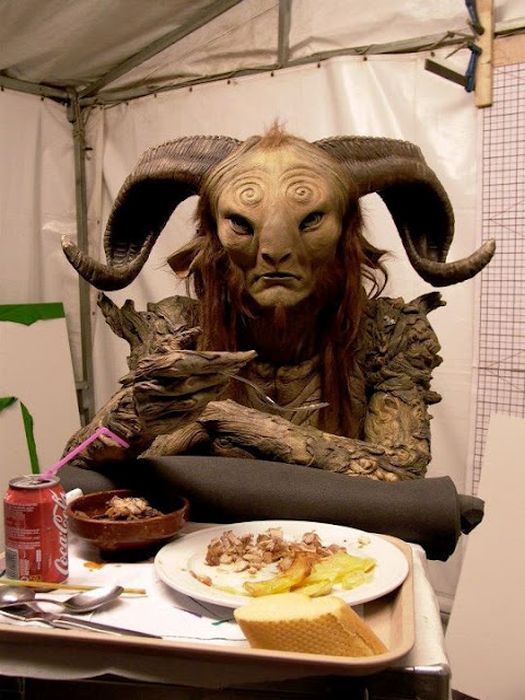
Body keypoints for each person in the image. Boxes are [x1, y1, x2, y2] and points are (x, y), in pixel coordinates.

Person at [59, 126, 494, 558]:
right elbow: (78, 465)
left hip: (340, 561)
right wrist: (135, 413)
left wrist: (223, 420)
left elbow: (401, 475)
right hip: (197, 557)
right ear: (213, 234)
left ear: (346, 231)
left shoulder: (388, 332)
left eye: (311, 220)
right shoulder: (178, 330)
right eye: (241, 224)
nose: (274, 248)